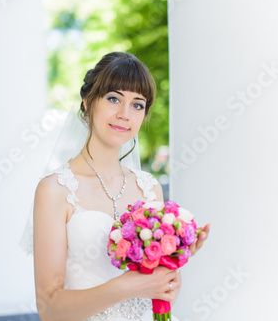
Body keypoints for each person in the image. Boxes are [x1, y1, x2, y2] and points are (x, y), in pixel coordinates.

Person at [32, 52, 210, 321]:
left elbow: (163, 292)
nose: (125, 114)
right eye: (114, 98)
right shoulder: (55, 190)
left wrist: (175, 257)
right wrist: (125, 286)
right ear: (88, 102)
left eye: (137, 105)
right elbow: (49, 308)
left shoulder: (149, 188)